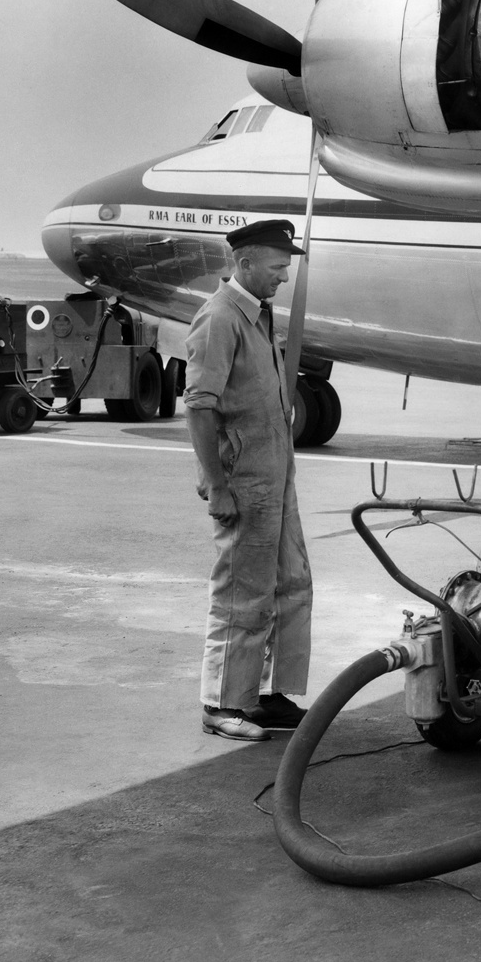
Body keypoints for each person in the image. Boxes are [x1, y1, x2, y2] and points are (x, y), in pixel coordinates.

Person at [184, 219, 313, 741]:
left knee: (291, 584)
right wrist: (217, 485)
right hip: (244, 482)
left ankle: (262, 695)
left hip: (275, 477)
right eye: (278, 267)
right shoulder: (220, 318)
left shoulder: (258, 314)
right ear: (246, 264)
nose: (284, 276)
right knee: (242, 593)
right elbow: (199, 407)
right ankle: (221, 704)